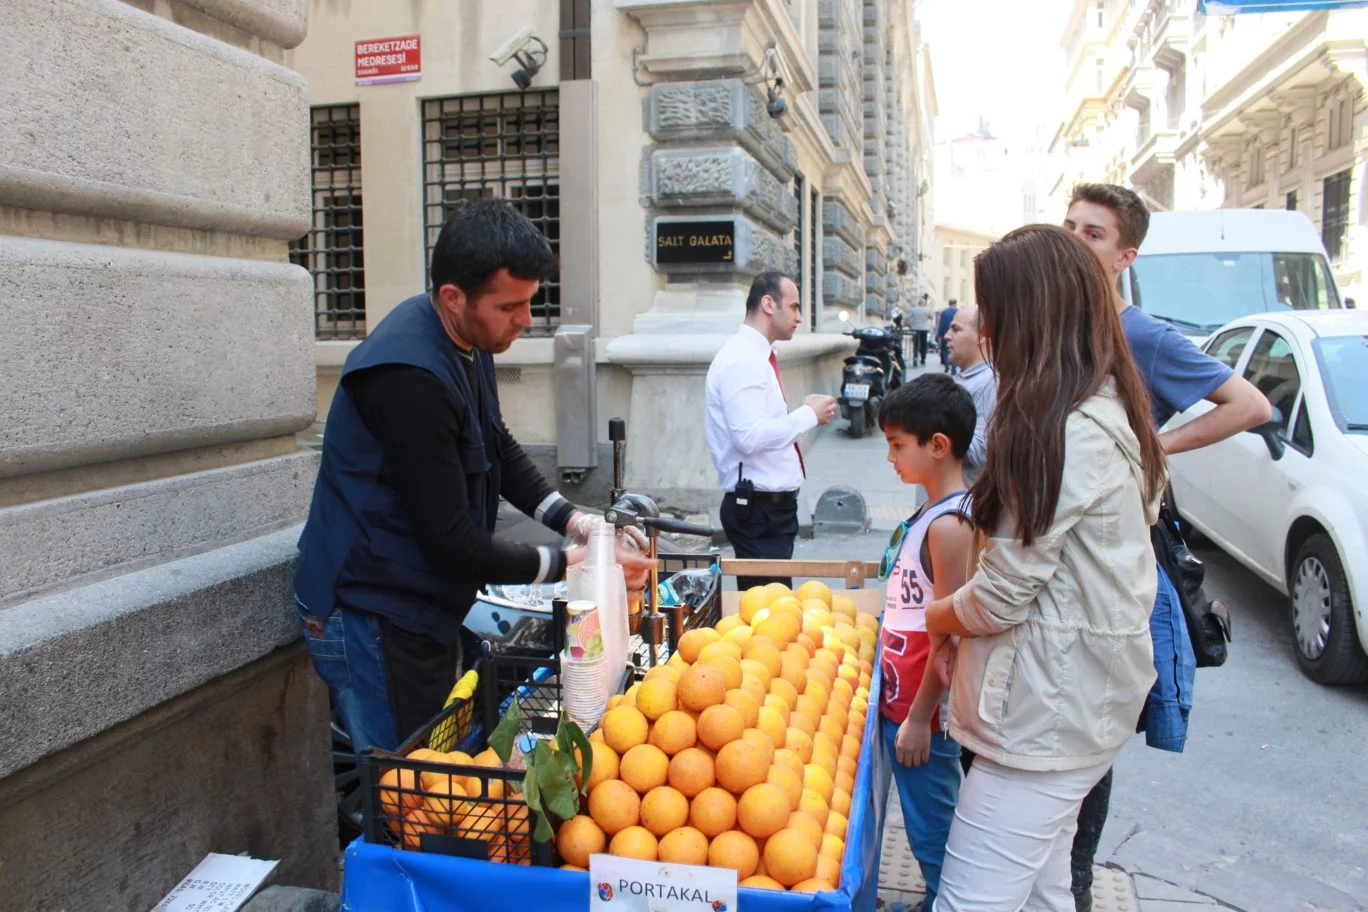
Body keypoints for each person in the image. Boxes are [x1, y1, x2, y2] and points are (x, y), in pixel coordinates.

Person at [292, 198, 653, 754]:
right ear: (453, 298)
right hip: (372, 607)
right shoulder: (408, 378)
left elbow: (497, 447)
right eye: (511, 306)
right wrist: (568, 564)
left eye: (530, 303)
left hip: (421, 599)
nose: (525, 320)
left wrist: (574, 520)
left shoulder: (469, 338)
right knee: (411, 786)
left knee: (444, 760)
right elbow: (451, 543)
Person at [925, 225, 1168, 911]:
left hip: (1044, 717)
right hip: (1078, 703)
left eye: (991, 309)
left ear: (1029, 316)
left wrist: (931, 618)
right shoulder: (1104, 405)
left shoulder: (1059, 427)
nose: (984, 328)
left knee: (972, 899)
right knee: (1045, 891)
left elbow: (1000, 598)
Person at [1061, 183, 1270, 911]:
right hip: (1047, 559)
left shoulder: (1139, 336)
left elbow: (1251, 404)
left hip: (1108, 570)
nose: (1076, 239)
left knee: (1085, 733)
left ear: (1125, 255)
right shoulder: (1060, 327)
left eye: (1093, 233)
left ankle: (1076, 885)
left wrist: (1154, 447)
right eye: (1070, 226)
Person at [876, 373, 976, 912]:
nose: (890, 456)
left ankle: (947, 902)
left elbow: (948, 637)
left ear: (938, 446)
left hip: (924, 713)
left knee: (935, 830)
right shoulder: (927, 514)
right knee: (924, 824)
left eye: (897, 445)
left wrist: (919, 719)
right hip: (901, 698)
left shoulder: (950, 526)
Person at [705, 272, 837, 591]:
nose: (799, 317)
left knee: (774, 612)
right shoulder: (743, 360)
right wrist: (808, 415)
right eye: (793, 307)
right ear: (768, 303)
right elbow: (749, 437)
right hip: (759, 513)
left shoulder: (757, 356)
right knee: (768, 619)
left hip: (768, 511)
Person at [944, 305, 996, 482]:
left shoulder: (990, 382)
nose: (947, 336)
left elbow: (980, 453)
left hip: (963, 503)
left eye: (956, 329)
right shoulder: (967, 377)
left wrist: (927, 432)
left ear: (982, 336)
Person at [907, 295, 934, 367]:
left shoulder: (913, 309)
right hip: (924, 329)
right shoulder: (927, 310)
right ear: (924, 303)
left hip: (915, 328)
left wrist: (911, 325)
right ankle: (923, 359)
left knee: (915, 344)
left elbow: (909, 318)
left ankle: (915, 358)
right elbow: (931, 317)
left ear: (918, 303)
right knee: (923, 345)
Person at [935, 299, 959, 374]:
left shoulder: (944, 312)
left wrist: (939, 334)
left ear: (949, 304)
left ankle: (946, 365)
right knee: (955, 350)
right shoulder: (958, 312)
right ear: (955, 304)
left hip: (946, 334)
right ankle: (954, 369)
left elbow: (941, 324)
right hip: (956, 334)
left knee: (945, 350)